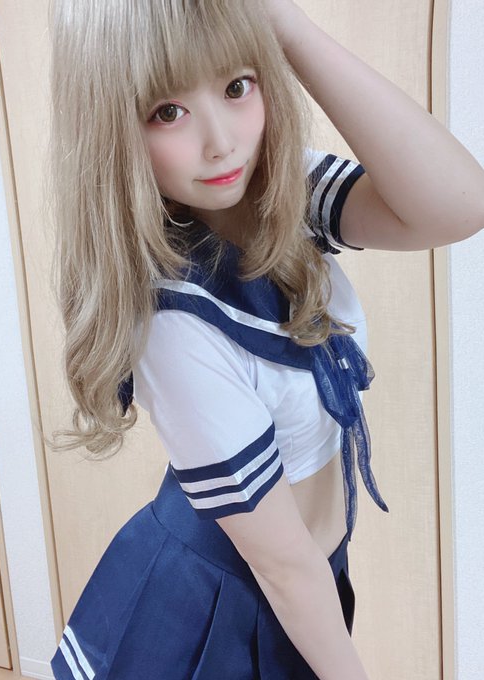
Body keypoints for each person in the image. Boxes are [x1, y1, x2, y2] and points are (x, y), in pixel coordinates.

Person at [47, 1, 484, 678]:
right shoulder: (174, 324)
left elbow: (456, 204)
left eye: (236, 85)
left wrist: (280, 22)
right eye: (168, 110)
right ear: (113, 127)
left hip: (303, 584)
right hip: (220, 607)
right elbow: (283, 566)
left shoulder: (276, 192)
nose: (222, 143)